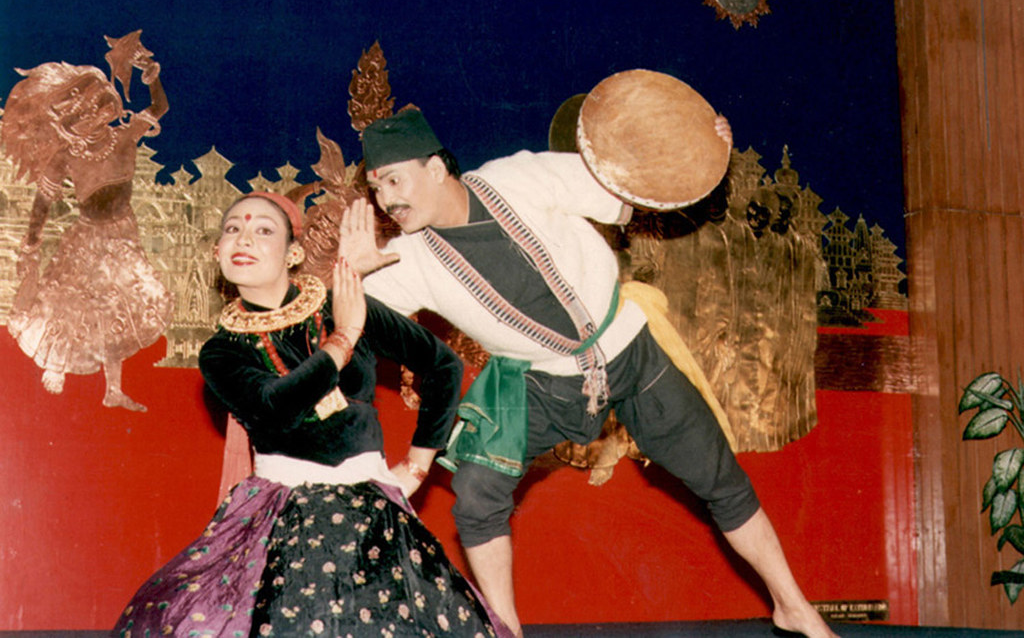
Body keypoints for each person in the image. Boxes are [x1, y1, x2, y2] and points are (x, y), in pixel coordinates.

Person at [339, 108, 838, 638]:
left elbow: (632, 185)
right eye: (377, 188)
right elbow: (341, 328)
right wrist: (355, 273)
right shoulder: (407, 259)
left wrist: (699, 143)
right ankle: (507, 632)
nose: (386, 199)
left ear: (437, 168)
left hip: (628, 350)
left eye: (395, 181)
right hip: (542, 383)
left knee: (720, 477)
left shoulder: (517, 177)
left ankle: (793, 607)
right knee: (478, 490)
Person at [112, 191, 509, 638]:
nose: (244, 239)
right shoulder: (222, 352)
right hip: (283, 510)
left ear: (293, 253)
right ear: (217, 252)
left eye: (264, 230)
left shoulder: (342, 304)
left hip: (372, 508)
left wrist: (417, 467)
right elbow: (276, 407)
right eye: (232, 229)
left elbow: (443, 365)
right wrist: (344, 338)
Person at [2, 31, 173, 411]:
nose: (93, 116)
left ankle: (113, 390)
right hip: (86, 238)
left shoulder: (125, 137)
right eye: (82, 114)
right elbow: (43, 201)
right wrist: (31, 241)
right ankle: (56, 364)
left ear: (109, 106)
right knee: (69, 304)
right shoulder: (66, 156)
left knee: (116, 309)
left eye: (98, 108)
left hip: (122, 235)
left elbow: (159, 106)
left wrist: (151, 73)